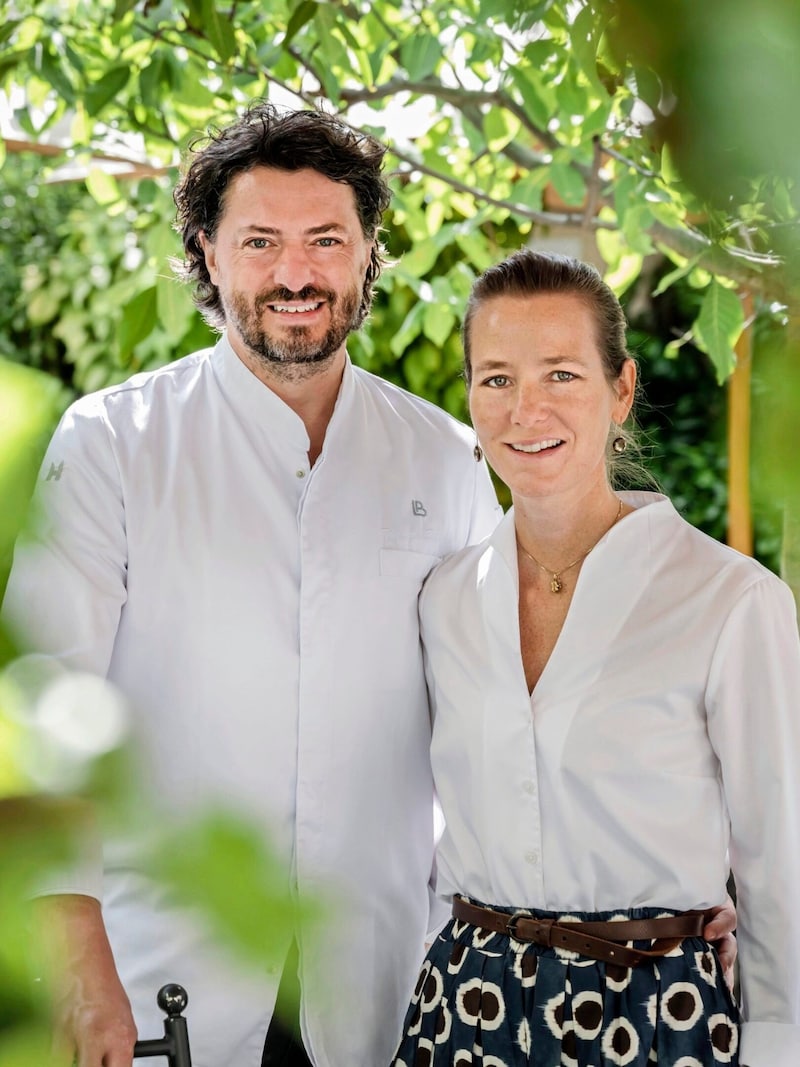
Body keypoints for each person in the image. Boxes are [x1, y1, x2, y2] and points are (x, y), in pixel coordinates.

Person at [1, 109, 736, 1067]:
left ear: (367, 255)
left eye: (326, 241)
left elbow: (515, 712)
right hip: (157, 969)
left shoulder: (446, 456)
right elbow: (42, 710)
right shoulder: (113, 444)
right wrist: (75, 954)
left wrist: (679, 883)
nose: (295, 274)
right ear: (208, 255)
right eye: (261, 241)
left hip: (392, 979)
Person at [391, 250, 800, 1067]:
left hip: (656, 1015)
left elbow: (780, 862)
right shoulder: (442, 599)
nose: (525, 409)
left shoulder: (730, 600)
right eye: (496, 378)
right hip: (464, 1012)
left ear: (620, 389)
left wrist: (779, 1043)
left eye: (561, 375)